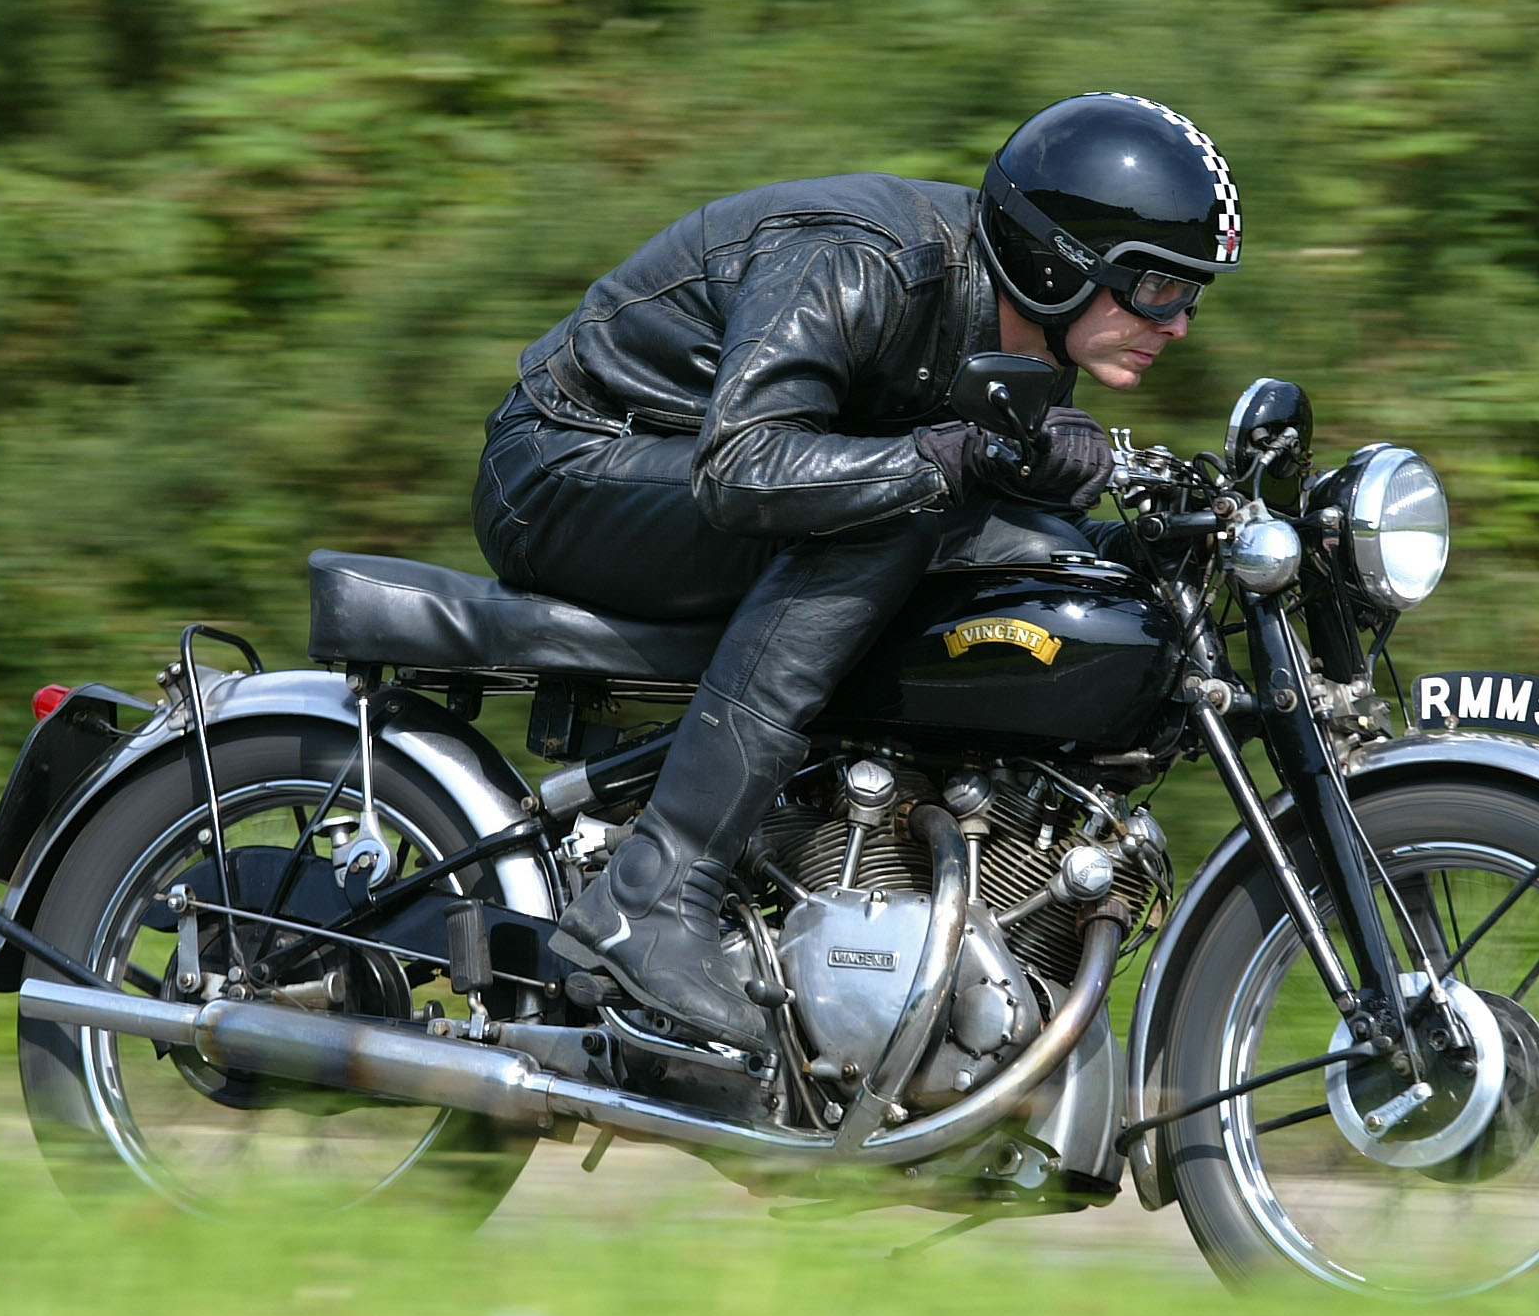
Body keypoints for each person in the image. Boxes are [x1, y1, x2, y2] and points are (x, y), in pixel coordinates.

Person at [473, 92, 1241, 1053]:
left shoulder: (1022, 334)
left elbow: (961, 477)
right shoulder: (860, 260)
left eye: (1191, 295)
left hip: (688, 488)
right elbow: (747, 468)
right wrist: (954, 457)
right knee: (895, 503)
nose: (1176, 324)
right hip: (568, 469)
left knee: (1056, 563)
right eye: (1159, 288)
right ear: (1060, 264)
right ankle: (654, 894)